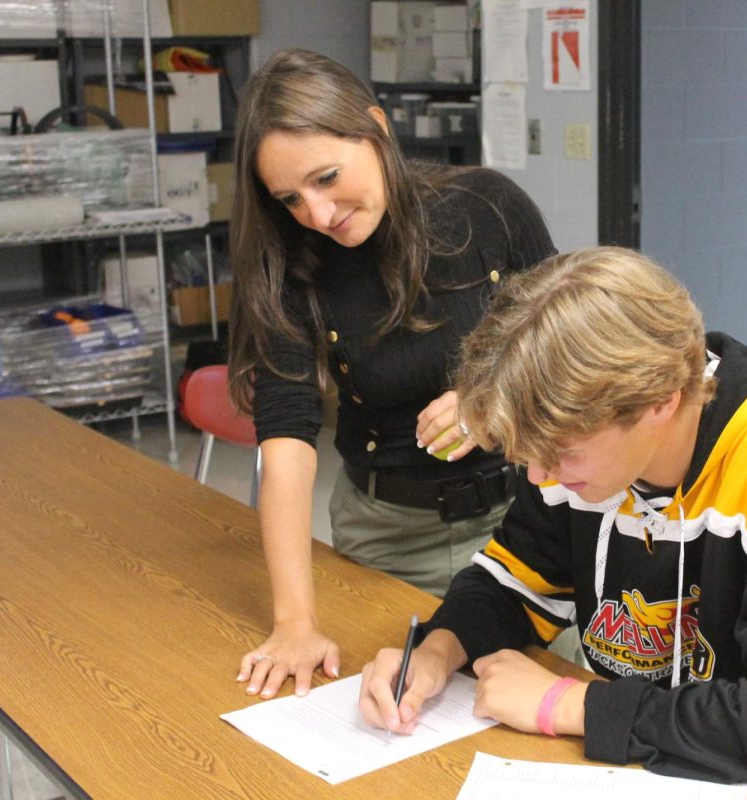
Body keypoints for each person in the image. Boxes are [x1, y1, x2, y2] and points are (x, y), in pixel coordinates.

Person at [359, 246, 747, 788]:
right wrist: (438, 650)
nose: (539, 478)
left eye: (561, 453)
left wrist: (571, 705)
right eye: (527, 456)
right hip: (662, 758)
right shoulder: (573, 449)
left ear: (660, 400)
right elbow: (514, 581)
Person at [226, 49, 555, 700]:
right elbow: (287, 439)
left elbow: (564, 352)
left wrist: (493, 399)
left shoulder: (488, 208)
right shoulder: (288, 263)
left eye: (326, 178)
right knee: (387, 718)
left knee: (536, 709)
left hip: (524, 529)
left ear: (375, 127)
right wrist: (294, 622)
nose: (317, 214)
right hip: (387, 536)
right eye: (290, 198)